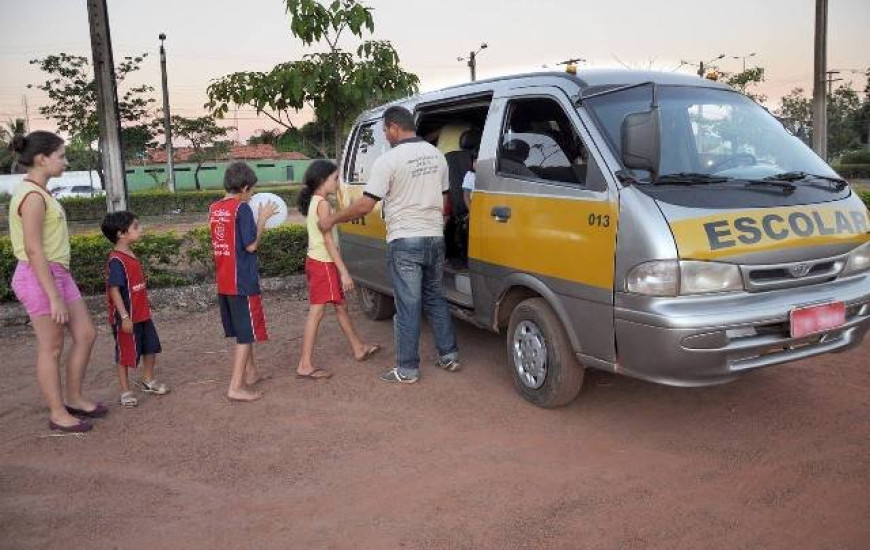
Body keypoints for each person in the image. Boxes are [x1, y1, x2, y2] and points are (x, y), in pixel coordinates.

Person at [319, 106, 460, 384]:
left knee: (408, 304)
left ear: (395, 127)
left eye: (385, 130)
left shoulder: (389, 160)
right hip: (434, 237)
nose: (385, 135)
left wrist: (332, 219)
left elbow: (365, 205)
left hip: (405, 240)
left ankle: (407, 369)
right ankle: (449, 355)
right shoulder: (437, 156)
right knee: (434, 297)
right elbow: (446, 204)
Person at [7, 131, 103, 432]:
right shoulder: (33, 196)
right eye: (61, 156)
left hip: (58, 273)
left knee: (86, 333)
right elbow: (34, 249)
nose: (65, 161)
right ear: (42, 158)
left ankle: (74, 398)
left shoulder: (41, 192)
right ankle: (57, 412)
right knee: (51, 347)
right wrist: (54, 296)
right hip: (39, 276)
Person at [295, 160, 382, 379]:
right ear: (323, 180)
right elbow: (328, 241)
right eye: (335, 178)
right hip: (323, 263)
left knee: (340, 306)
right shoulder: (322, 204)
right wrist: (343, 271)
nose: (338, 182)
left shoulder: (315, 201)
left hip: (319, 261)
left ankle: (358, 348)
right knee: (317, 311)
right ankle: (305, 364)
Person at [208, 161, 277, 402]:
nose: (252, 196)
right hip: (242, 281)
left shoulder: (215, 208)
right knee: (246, 335)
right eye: (252, 191)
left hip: (224, 280)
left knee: (241, 329)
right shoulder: (241, 209)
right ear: (245, 187)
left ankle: (251, 372)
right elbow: (251, 245)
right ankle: (235, 387)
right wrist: (263, 220)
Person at [101, 211, 169, 408]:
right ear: (121, 233)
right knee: (124, 354)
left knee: (151, 347)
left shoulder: (130, 254)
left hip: (142, 315)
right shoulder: (116, 260)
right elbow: (114, 290)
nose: (141, 229)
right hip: (127, 318)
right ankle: (125, 392)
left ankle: (148, 379)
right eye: (136, 227)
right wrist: (124, 317)